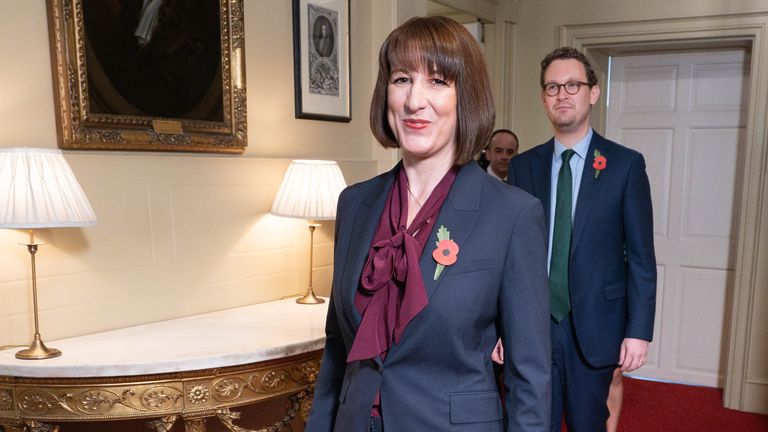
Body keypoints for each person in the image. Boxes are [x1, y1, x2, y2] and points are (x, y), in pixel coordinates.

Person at [305, 16, 551, 432]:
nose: (414, 100)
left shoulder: (512, 214)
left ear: (466, 96)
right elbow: (336, 348)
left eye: (438, 81)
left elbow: (530, 376)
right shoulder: (355, 203)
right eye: (402, 79)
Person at [506, 46, 657, 432]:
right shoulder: (524, 167)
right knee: (529, 422)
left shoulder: (625, 165)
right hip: (532, 326)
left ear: (593, 92)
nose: (562, 94)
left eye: (572, 84)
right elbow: (508, 257)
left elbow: (640, 257)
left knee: (588, 424)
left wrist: (638, 331)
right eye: (552, 87)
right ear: (543, 98)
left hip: (596, 326)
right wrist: (500, 327)